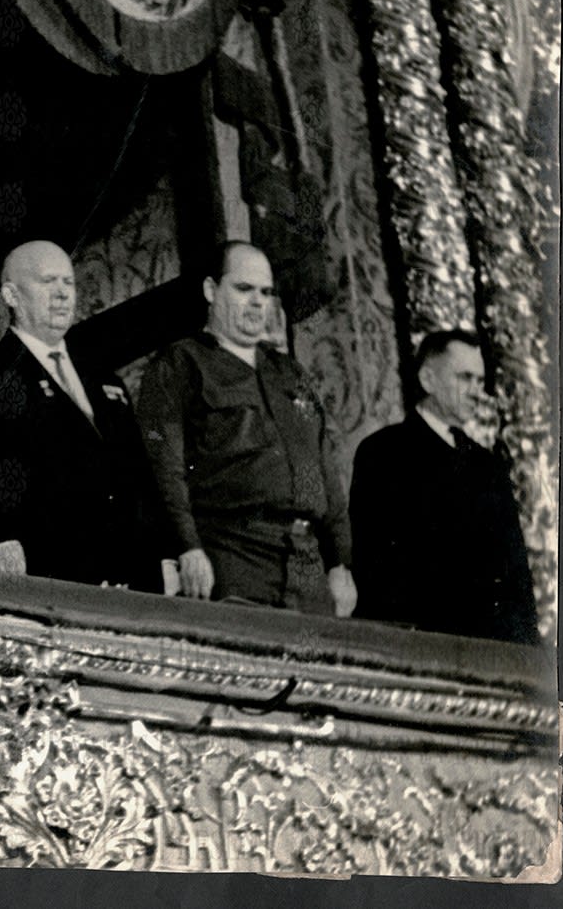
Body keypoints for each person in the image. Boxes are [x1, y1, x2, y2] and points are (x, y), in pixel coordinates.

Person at [135, 242, 357, 616]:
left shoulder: (290, 374)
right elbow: (164, 468)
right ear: (211, 291)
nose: (258, 302)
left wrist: (339, 563)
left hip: (308, 567)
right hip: (233, 557)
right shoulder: (180, 364)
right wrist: (187, 548)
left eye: (266, 292)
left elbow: (325, 470)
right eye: (244, 289)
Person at [0, 241, 165, 589]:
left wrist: (162, 554)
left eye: (68, 282)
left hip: (122, 575)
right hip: (42, 570)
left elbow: (139, 475)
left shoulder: (104, 380)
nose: (62, 294)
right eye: (48, 282)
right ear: (11, 296)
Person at [348, 331, 538, 644]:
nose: (477, 392)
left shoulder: (488, 466)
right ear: (428, 380)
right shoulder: (383, 453)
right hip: (423, 646)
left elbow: (516, 575)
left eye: (480, 381)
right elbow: (376, 567)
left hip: (493, 650)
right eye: (465, 378)